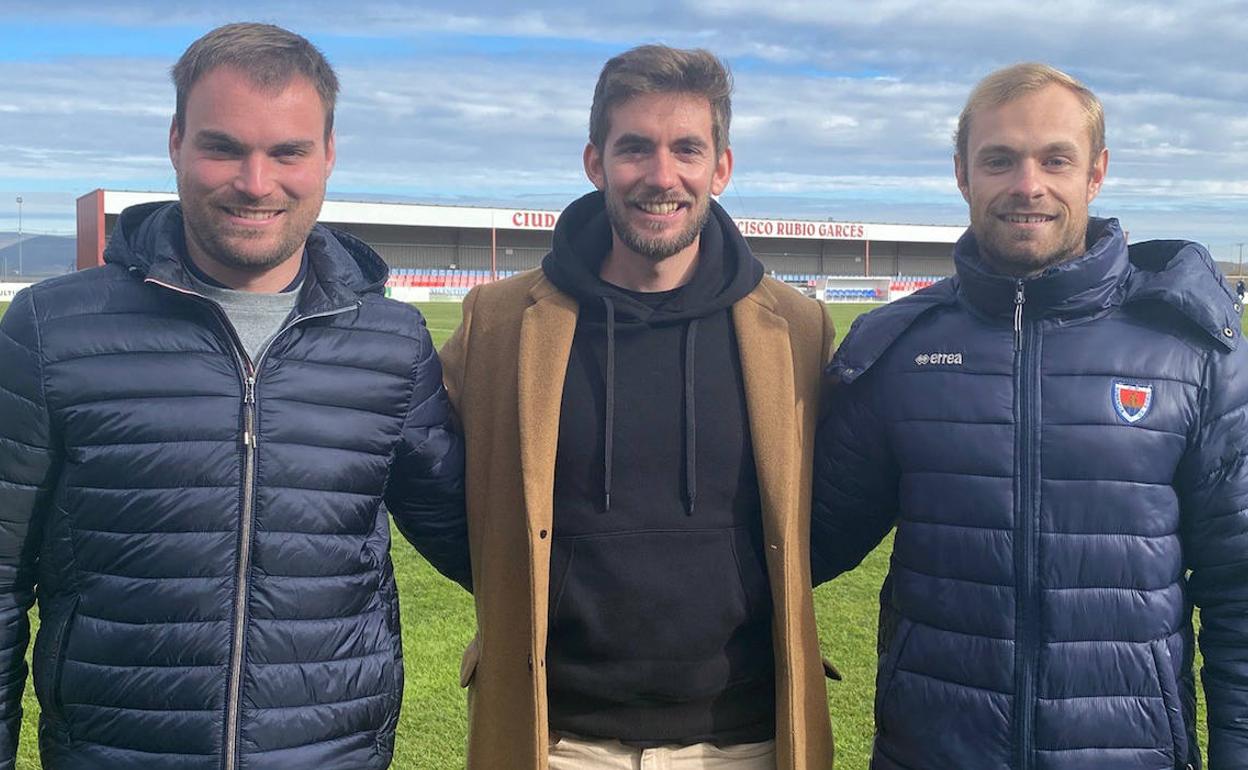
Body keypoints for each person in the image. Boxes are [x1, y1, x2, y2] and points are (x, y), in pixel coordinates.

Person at [0, 23, 468, 770]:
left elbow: (484, 542)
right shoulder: (52, 329)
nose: (256, 182)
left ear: (328, 155)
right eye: (224, 147)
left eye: (288, 151)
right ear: (177, 142)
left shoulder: (392, 342)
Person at [811, 61, 1248, 770]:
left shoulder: (1191, 352)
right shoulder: (898, 350)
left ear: (1096, 173)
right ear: (962, 175)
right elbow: (805, 543)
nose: (1027, 185)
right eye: (999, 160)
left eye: (1055, 159)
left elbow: (1240, 590)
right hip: (931, 753)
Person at [440, 44, 837, 770]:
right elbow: (435, 490)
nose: (662, 177)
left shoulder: (797, 328)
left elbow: (842, 506)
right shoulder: (497, 322)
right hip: (555, 739)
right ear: (596, 163)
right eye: (635, 149)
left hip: (747, 738)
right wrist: (519, 580)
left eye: (687, 148)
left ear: (722, 166)